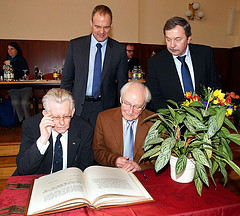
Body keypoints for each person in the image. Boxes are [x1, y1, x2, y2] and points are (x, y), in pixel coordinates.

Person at [61, 5, 128, 127]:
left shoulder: (119, 50)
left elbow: (122, 86)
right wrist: (65, 107)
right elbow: (66, 80)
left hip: (105, 106)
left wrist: (121, 111)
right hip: (78, 105)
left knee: (100, 145)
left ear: (111, 25)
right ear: (91, 23)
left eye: (106, 27)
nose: (101, 32)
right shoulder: (76, 46)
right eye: (97, 26)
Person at [146, 16, 222, 111]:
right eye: (168, 39)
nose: (172, 45)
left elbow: (214, 86)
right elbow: (155, 98)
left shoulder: (205, 54)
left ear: (188, 39)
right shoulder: (156, 62)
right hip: (173, 121)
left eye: (177, 40)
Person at [14, 88, 94, 175]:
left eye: (66, 116)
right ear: (45, 114)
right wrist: (42, 140)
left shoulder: (85, 129)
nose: (62, 122)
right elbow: (23, 169)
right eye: (55, 117)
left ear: (72, 111)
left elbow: (86, 167)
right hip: (41, 180)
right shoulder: (31, 126)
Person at [93, 81, 154, 173]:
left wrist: (140, 166)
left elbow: (162, 157)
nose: (130, 111)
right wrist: (114, 160)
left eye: (137, 107)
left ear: (144, 106)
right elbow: (97, 152)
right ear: (121, 98)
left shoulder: (155, 122)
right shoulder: (104, 118)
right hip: (112, 173)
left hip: (142, 175)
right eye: (126, 103)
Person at [2, 42, 32, 122]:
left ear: (16, 50)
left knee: (24, 103)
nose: (10, 51)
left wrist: (11, 65)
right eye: (8, 49)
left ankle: (28, 121)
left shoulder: (21, 60)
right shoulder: (6, 60)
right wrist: (4, 69)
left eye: (12, 49)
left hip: (24, 87)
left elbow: (23, 73)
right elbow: (4, 75)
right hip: (13, 88)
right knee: (15, 103)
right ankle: (21, 120)